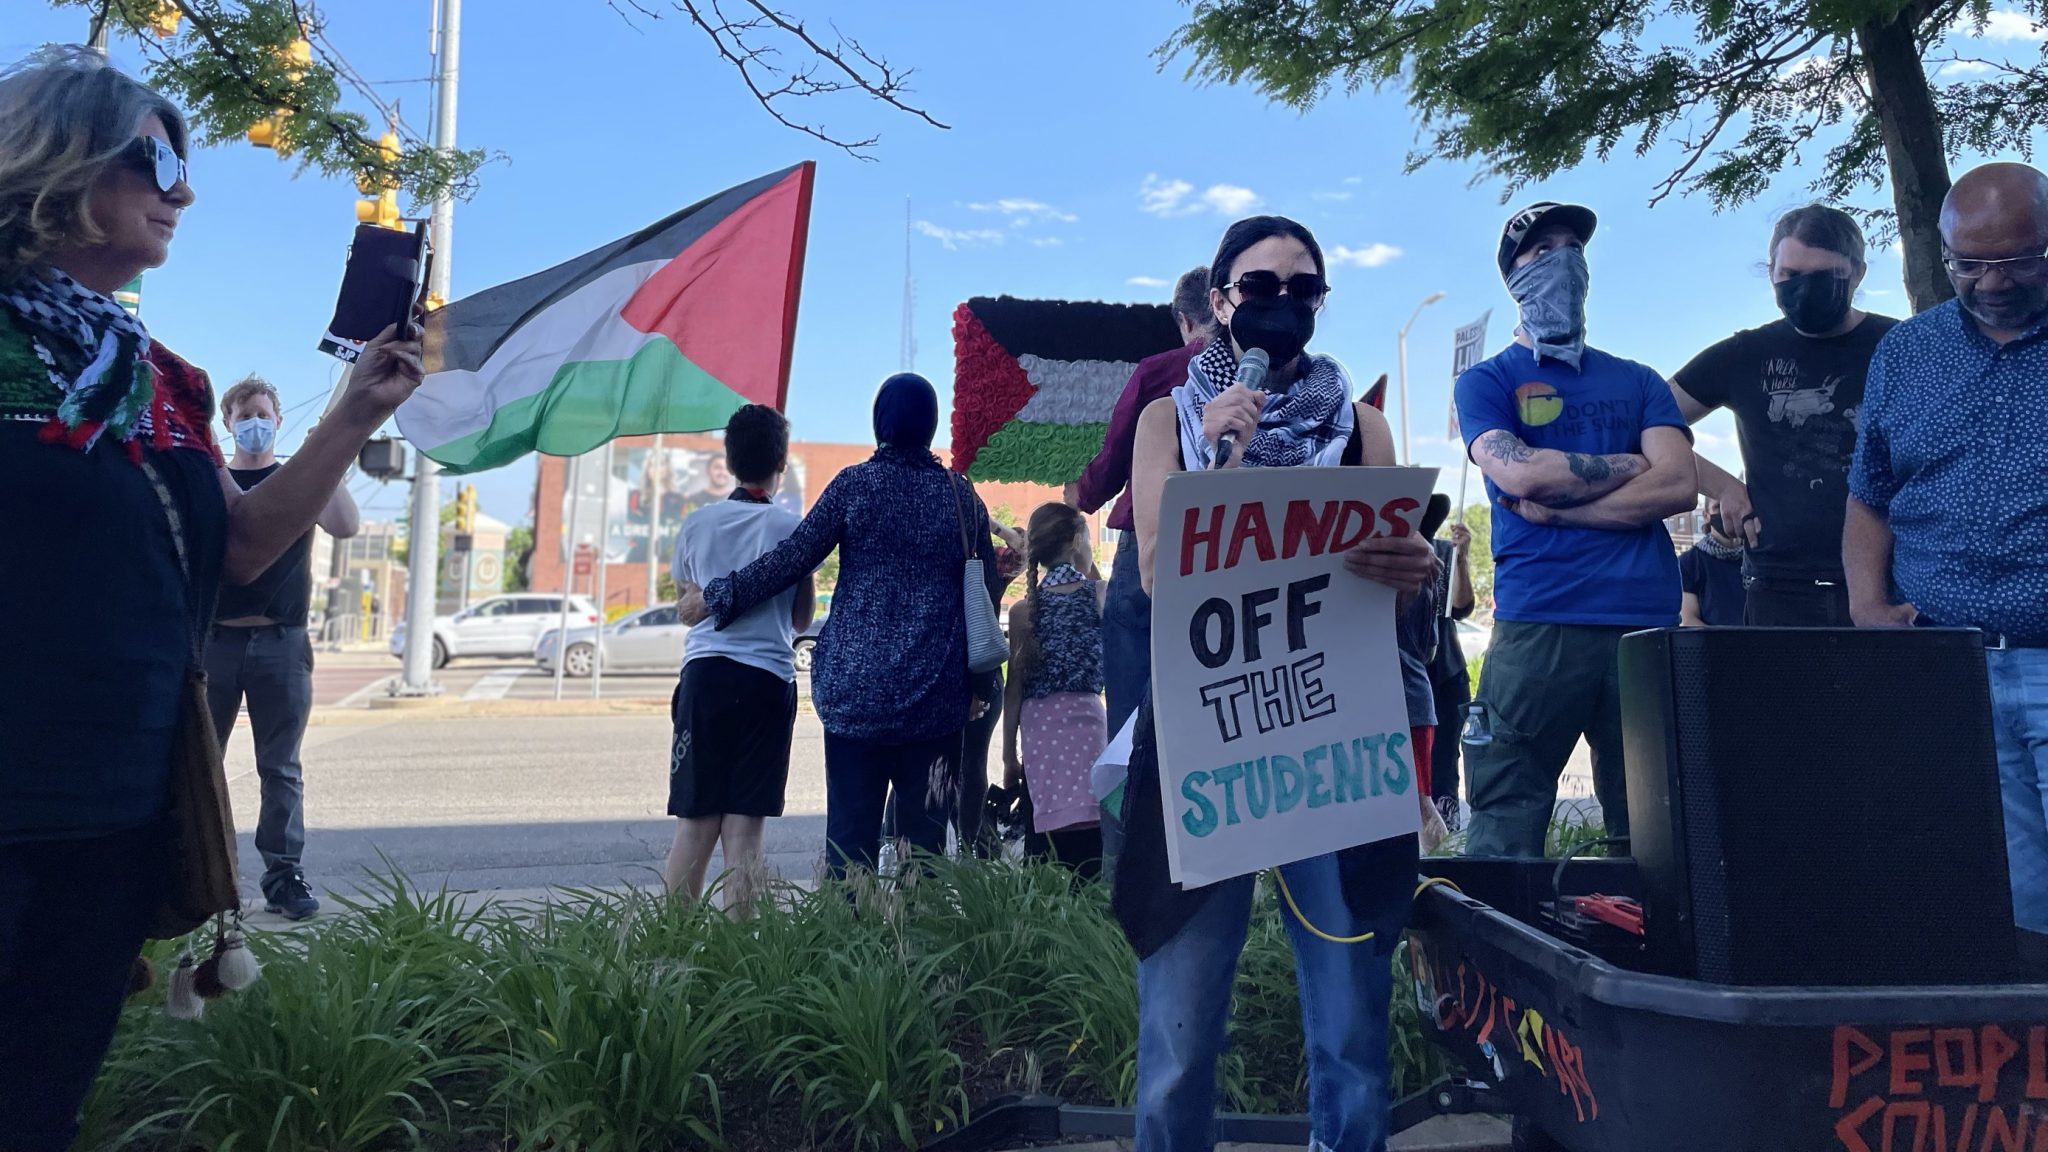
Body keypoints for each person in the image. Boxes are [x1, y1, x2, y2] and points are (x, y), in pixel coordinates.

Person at [0, 48, 424, 1152]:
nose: (182, 190)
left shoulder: (160, 378)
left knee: (38, 1105)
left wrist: (350, 416)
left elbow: (237, 546)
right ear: (59, 160)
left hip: (117, 814)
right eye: (158, 158)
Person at [1117, 215, 1439, 1150]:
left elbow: (1396, 581)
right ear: (1219, 301)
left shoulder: (1362, 424)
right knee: (1178, 1040)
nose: (1283, 304)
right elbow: (1150, 571)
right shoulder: (1165, 419)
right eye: (1261, 286)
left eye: (1305, 289)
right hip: (1204, 746)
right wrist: (1215, 461)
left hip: (1334, 742)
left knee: (1349, 1028)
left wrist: (1409, 564)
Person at [677, 374, 1004, 876]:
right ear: (930, 424)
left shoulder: (854, 485)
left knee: (850, 851)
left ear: (880, 423)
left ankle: (848, 942)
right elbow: (980, 594)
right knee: (928, 854)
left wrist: (718, 595)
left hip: (856, 701)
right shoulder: (960, 497)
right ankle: (920, 946)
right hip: (938, 706)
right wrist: (980, 683)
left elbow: (791, 559)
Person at [1454, 201, 1698, 858]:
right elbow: (1523, 476)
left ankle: (1649, 956)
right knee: (1505, 821)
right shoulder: (1487, 381)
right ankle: (1501, 958)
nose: (1562, 261)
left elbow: (1678, 484)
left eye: (1572, 247)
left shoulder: (1638, 379)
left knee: (1660, 833)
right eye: (1540, 252)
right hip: (1540, 627)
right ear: (1512, 277)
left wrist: (1567, 507)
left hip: (1644, 628)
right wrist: (1630, 465)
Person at [1847, 162, 2048, 937]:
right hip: (1946, 664)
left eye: (2018, 259)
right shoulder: (1908, 353)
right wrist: (1866, 605)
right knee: (2011, 899)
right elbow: (1869, 496)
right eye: (1971, 263)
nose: (1992, 281)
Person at [1669, 205, 1898, 625]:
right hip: (1779, 586)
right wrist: (1722, 487)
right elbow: (1645, 421)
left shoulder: (1900, 346)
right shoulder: (1745, 354)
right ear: (1771, 270)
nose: (1804, 289)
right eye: (1790, 276)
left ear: (1857, 273)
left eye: (1824, 276)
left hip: (1889, 584)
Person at [203, 375, 359, 921]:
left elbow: (345, 524)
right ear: (228, 422)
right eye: (244, 414)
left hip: (282, 643)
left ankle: (283, 875)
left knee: (281, 768)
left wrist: (326, 457)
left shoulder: (296, 480)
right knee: (201, 764)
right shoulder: (212, 479)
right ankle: (200, 876)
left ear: (279, 419)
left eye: (264, 413)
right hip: (214, 641)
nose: (255, 423)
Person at [662, 404, 812, 910]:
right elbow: (800, 618)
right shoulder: (792, 528)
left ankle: (668, 951)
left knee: (695, 825)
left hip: (704, 678)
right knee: (745, 832)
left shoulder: (697, 524)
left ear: (727, 461)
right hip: (766, 682)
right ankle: (736, 961)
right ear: (782, 464)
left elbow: (687, 604)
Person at [1072, 265, 1213, 737]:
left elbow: (1115, 459)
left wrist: (1080, 494)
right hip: (1235, 548)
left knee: (1132, 723)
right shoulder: (1267, 373)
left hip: (1149, 547)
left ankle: (1132, 810)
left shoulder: (1160, 371)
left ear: (1184, 319)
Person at [1002, 502, 1107, 879]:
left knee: (1043, 847)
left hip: (1039, 733)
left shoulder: (1022, 611)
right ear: (1077, 540)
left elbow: (1014, 689)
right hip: (1089, 729)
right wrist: (1086, 555)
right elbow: (1097, 582)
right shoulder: (1098, 596)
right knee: (1093, 841)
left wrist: (1008, 757)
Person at [1427, 522, 1478, 830]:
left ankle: (1443, 841)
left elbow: (1462, 606)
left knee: (1444, 765)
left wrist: (1460, 558)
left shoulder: (1443, 550)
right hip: (1402, 674)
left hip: (1445, 675)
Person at [1679, 498, 1747, 627]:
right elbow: (1689, 620)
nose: (1725, 511)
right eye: (1717, 507)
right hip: (1713, 645)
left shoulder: (1758, 559)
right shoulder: (1689, 562)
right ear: (1706, 516)